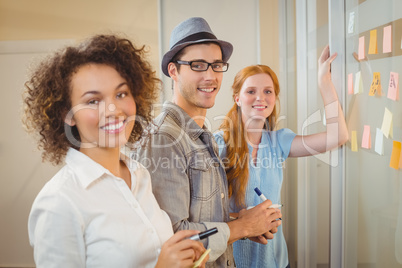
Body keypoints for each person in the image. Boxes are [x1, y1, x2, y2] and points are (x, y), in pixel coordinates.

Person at [23, 34, 209, 268]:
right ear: (66, 114)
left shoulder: (139, 174)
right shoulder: (59, 202)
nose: (113, 110)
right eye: (93, 101)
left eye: (121, 94)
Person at [134, 17, 282, 268]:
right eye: (198, 65)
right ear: (173, 70)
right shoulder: (164, 139)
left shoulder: (203, 135)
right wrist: (242, 227)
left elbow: (202, 214)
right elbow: (173, 237)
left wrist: (241, 221)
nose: (210, 76)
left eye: (216, 65)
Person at [213, 46, 349, 268]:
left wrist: (324, 81)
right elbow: (205, 214)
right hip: (234, 262)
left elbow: (338, 136)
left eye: (268, 91)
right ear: (237, 98)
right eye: (251, 91)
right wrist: (243, 222)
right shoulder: (218, 144)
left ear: (275, 98)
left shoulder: (279, 141)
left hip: (276, 261)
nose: (260, 98)